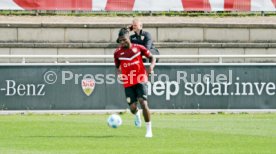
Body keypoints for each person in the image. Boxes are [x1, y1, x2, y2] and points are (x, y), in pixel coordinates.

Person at [114, 28, 156, 138]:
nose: (122, 42)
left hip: (141, 79)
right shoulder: (117, 53)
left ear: (129, 38)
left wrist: (151, 67)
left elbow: (152, 57)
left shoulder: (139, 48)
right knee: (132, 108)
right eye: (120, 41)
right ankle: (136, 113)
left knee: (143, 103)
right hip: (128, 82)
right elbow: (117, 66)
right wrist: (119, 74)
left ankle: (149, 130)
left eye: (124, 40)